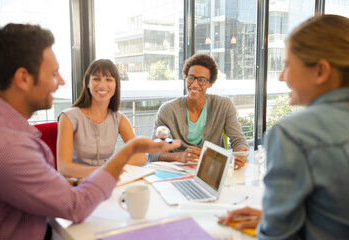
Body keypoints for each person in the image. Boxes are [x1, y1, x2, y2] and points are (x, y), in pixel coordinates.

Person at [0, 23, 180, 239]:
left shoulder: (5, 126)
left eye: (109, 79)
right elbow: (75, 207)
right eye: (53, 74)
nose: (60, 82)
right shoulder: (7, 146)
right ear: (23, 78)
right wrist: (129, 151)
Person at [218, 15, 349, 239]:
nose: (280, 77)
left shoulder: (293, 134)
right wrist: (274, 217)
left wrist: (273, 225)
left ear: (321, 71)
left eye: (287, 65)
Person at [148, 53, 249, 169]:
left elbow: (239, 141)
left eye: (201, 80)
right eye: (191, 78)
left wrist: (240, 154)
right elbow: (153, 154)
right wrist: (180, 156)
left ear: (210, 83)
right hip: (178, 173)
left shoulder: (223, 106)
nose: (194, 84)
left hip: (212, 173)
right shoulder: (168, 110)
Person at [57, 59, 146, 179]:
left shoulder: (119, 119)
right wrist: (106, 169)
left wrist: (111, 167)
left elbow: (141, 157)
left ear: (116, 85)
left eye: (109, 79)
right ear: (88, 83)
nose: (102, 85)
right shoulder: (68, 117)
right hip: (77, 183)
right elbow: (64, 168)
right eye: (96, 79)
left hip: (106, 181)